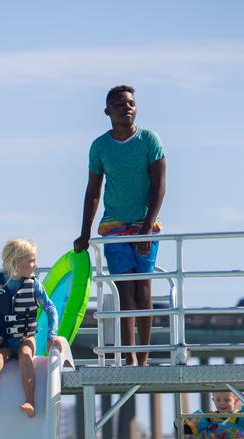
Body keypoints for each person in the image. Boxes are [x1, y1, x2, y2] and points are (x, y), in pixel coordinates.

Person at [73, 85, 166, 366]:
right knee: (125, 289)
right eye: (120, 104)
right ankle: (131, 358)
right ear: (108, 111)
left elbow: (159, 185)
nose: (127, 107)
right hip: (114, 226)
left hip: (145, 223)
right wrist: (84, 233)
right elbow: (92, 192)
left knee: (143, 288)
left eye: (131, 103)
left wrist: (147, 227)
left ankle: (144, 356)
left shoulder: (149, 139)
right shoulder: (100, 146)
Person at [0, 238, 61, 418]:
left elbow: (50, 308)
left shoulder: (34, 286)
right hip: (3, 339)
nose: (35, 264)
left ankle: (29, 402)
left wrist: (51, 335)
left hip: (26, 337)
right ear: (16, 263)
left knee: (25, 356)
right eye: (31, 260)